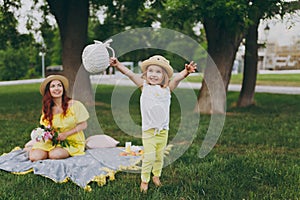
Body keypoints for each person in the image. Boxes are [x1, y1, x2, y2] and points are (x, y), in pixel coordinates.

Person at [109, 55, 197, 193]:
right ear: (146, 73)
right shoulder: (144, 86)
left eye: (158, 72)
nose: (154, 75)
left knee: (159, 156)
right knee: (149, 157)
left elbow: (178, 78)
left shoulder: (167, 89)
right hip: (149, 131)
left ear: (164, 76)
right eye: (151, 71)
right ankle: (145, 180)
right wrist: (118, 64)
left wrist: (186, 71)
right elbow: (130, 74)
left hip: (163, 130)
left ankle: (156, 175)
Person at [29, 75, 89, 162]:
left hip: (71, 140)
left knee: (55, 155)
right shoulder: (47, 108)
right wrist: (50, 134)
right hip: (52, 141)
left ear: (63, 89)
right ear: (48, 91)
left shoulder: (75, 105)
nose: (57, 88)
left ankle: (53, 152)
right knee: (35, 157)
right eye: (53, 86)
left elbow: (83, 124)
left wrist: (66, 134)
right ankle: (41, 150)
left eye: (59, 85)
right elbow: (45, 127)